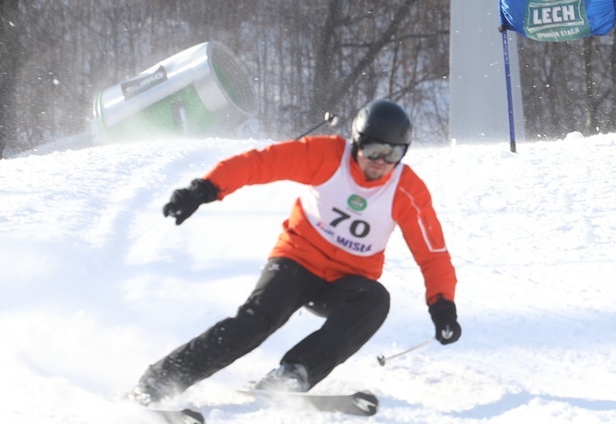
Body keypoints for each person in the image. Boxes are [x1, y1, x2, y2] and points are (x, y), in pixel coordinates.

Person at [129, 99, 461, 406]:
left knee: (376, 300)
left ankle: (295, 373)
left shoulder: (407, 190)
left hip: (346, 282)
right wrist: (205, 189)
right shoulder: (326, 156)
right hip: (297, 262)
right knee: (255, 323)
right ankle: (157, 383)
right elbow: (260, 164)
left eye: (393, 153)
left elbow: (433, 254)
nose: (381, 162)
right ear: (357, 142)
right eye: (373, 149)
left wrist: (443, 305)